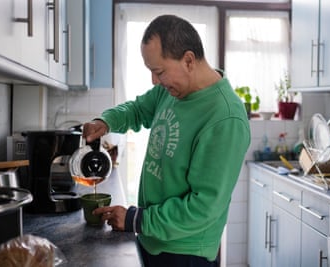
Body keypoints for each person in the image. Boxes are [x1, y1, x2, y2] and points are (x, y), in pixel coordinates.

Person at [83, 14, 250, 267]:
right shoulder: (172, 90)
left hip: (186, 254)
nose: (154, 81)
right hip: (154, 240)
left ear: (189, 60)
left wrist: (135, 220)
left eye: (158, 71)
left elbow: (203, 208)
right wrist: (105, 122)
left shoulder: (225, 118)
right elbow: (137, 110)